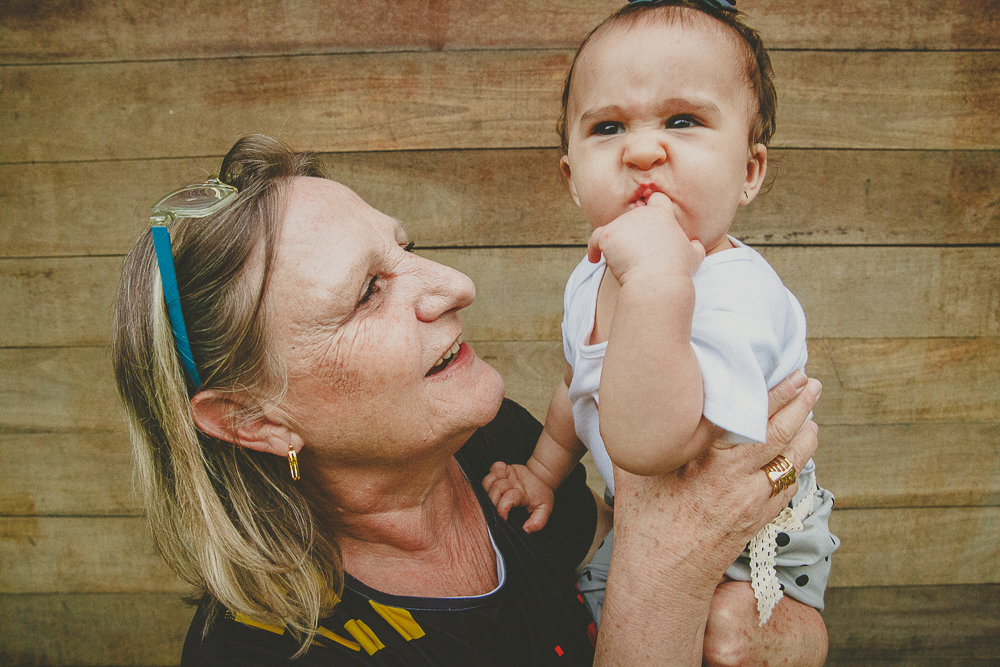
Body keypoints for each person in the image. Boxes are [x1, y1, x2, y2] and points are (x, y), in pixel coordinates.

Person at [112, 134, 826, 666]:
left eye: (408, 247)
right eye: (367, 292)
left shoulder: (493, 449)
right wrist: (672, 564)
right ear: (254, 418)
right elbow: (659, 562)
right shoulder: (266, 653)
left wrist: (787, 634)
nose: (454, 283)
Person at [481, 0, 838, 632]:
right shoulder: (594, 274)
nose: (643, 150)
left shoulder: (736, 295)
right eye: (608, 129)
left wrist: (653, 282)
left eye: (683, 119)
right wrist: (542, 472)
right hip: (652, 526)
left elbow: (653, 447)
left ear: (749, 170)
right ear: (571, 176)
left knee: (727, 634)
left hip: (757, 547)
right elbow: (578, 383)